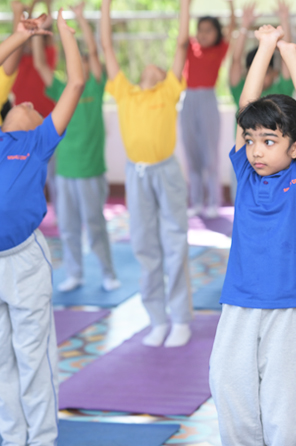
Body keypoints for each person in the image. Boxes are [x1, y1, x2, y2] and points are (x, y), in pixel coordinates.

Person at [209, 25, 296, 446]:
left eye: (270, 141)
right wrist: (264, 48)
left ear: (294, 147)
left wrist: (289, 52)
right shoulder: (245, 174)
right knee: (227, 383)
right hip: (239, 302)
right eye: (253, 140)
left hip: (287, 307)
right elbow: (244, 103)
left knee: (283, 400)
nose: (257, 150)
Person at [0, 10, 84, 445]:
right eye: (22, 102)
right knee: (2, 362)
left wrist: (67, 32)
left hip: (25, 261)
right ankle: (13, 438)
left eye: (34, 106)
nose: (28, 102)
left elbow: (75, 83)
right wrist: (19, 35)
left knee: (33, 357)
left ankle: (43, 438)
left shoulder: (39, 141)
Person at [101, 0, 193, 347]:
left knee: (174, 242)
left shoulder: (168, 89)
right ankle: (157, 318)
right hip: (136, 175)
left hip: (165, 172)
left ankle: (181, 318)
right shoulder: (124, 91)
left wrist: (185, 6)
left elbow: (182, 44)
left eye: (160, 66)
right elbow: (107, 45)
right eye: (150, 66)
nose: (155, 67)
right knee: (144, 245)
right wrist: (105, 6)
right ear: (142, 73)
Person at [33, 1, 120, 294]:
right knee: (67, 227)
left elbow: (95, 52)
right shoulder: (61, 90)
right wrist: (36, 33)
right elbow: (40, 65)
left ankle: (108, 272)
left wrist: (81, 19)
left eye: (81, 61)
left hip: (91, 170)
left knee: (95, 225)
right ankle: (75, 272)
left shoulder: (94, 84)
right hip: (65, 170)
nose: (78, 65)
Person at [227, 0, 295, 203]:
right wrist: (244, 26)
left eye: (266, 71)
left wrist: (284, 21)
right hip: (246, 157)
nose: (260, 75)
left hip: (276, 158)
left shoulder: (281, 89)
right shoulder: (241, 90)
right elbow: (236, 60)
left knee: (275, 202)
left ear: (274, 73)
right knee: (243, 201)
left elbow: (287, 58)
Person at [181, 0, 234, 218]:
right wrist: (186, 6)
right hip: (188, 100)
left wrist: (230, 6)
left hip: (208, 101)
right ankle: (196, 201)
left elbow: (232, 28)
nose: (203, 34)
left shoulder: (220, 49)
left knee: (210, 154)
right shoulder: (190, 48)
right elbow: (182, 35)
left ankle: (214, 201)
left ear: (217, 34)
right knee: (191, 153)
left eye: (208, 30)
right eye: (200, 30)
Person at [12, 0, 60, 212]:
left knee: (53, 173)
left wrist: (47, 9)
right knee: (25, 172)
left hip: (45, 120)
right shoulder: (18, 61)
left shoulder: (46, 58)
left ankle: (60, 211)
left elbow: (49, 36)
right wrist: (27, 10)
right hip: (23, 123)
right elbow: (19, 35)